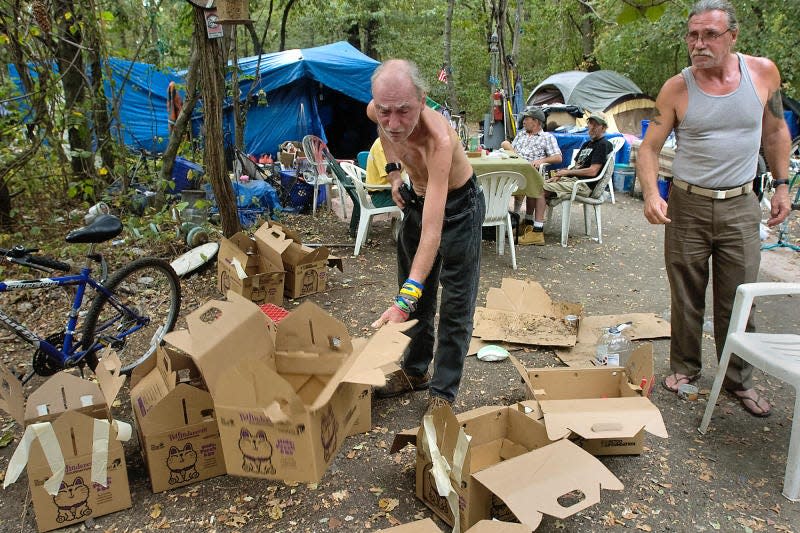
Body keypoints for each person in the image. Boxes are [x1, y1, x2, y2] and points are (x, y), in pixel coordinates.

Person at [636, 0, 791, 417]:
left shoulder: (762, 74)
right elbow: (648, 149)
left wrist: (781, 187)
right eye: (692, 35)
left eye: (709, 35)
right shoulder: (677, 88)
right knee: (686, 291)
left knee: (739, 295)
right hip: (687, 203)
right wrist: (652, 193)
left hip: (741, 203)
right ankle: (685, 369)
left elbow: (776, 132)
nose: (698, 44)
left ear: (733, 37)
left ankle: (737, 379)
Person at [367, 59, 486, 413]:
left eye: (404, 111)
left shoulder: (440, 141)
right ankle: (415, 371)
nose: (393, 122)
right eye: (385, 111)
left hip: (458, 208)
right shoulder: (380, 110)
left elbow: (432, 234)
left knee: (454, 304)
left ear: (422, 98)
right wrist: (393, 175)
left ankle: (443, 392)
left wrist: (402, 304)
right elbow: (383, 133)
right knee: (415, 291)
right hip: (417, 200)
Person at [500, 108, 562, 245]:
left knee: (535, 185)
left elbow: (558, 157)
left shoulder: (547, 137)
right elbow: (513, 151)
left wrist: (542, 161)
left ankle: (536, 230)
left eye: (527, 119)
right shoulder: (521, 135)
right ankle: (524, 223)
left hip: (533, 172)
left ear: (536, 122)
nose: (523, 121)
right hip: (515, 168)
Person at [543, 113, 612, 201]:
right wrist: (559, 174)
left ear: (603, 128)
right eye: (591, 123)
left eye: (596, 124)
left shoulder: (603, 144)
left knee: (544, 188)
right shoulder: (586, 144)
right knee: (542, 181)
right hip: (573, 180)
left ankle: (534, 215)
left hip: (584, 185)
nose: (593, 127)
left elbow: (593, 171)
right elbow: (576, 167)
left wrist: (567, 173)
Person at [364, 137, 399, 208]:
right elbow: (390, 176)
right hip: (381, 196)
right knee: (419, 199)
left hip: (389, 190)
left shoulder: (396, 143)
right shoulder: (381, 145)